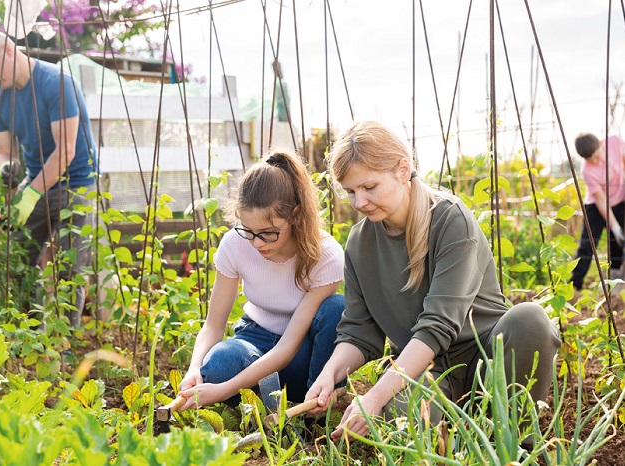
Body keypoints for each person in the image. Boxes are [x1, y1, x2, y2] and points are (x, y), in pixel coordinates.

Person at [304, 121, 560, 442]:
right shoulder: (359, 243)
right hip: (427, 372)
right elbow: (359, 332)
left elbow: (438, 325)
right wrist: (330, 374)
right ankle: (459, 435)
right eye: (351, 191)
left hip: (488, 362)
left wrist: (373, 396)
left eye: (369, 187)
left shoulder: (450, 219)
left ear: (402, 170)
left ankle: (515, 439)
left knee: (530, 319)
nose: (359, 202)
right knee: (400, 415)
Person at [177, 150, 345, 407]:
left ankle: (314, 402)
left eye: (268, 233)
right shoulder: (235, 244)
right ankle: (266, 403)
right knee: (220, 363)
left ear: (295, 215)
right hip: (254, 338)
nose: (256, 243)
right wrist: (194, 369)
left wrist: (223, 391)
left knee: (337, 308)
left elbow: (287, 347)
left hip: (302, 352)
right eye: (249, 231)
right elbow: (213, 325)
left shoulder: (325, 255)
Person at [0, 30, 98, 327]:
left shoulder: (56, 83)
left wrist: (28, 196)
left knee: (70, 267)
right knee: (16, 255)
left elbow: (65, 152)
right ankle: (30, 332)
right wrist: (7, 167)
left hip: (76, 183)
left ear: (9, 50)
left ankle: (66, 339)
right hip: (36, 182)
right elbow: (3, 151)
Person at [569, 133, 625, 290]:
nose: (596, 161)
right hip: (595, 206)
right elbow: (601, 200)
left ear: (601, 144)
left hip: (619, 200)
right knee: (588, 244)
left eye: (597, 155)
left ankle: (615, 284)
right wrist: (614, 226)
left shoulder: (614, 142)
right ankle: (575, 284)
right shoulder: (587, 171)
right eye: (590, 160)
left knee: (616, 244)